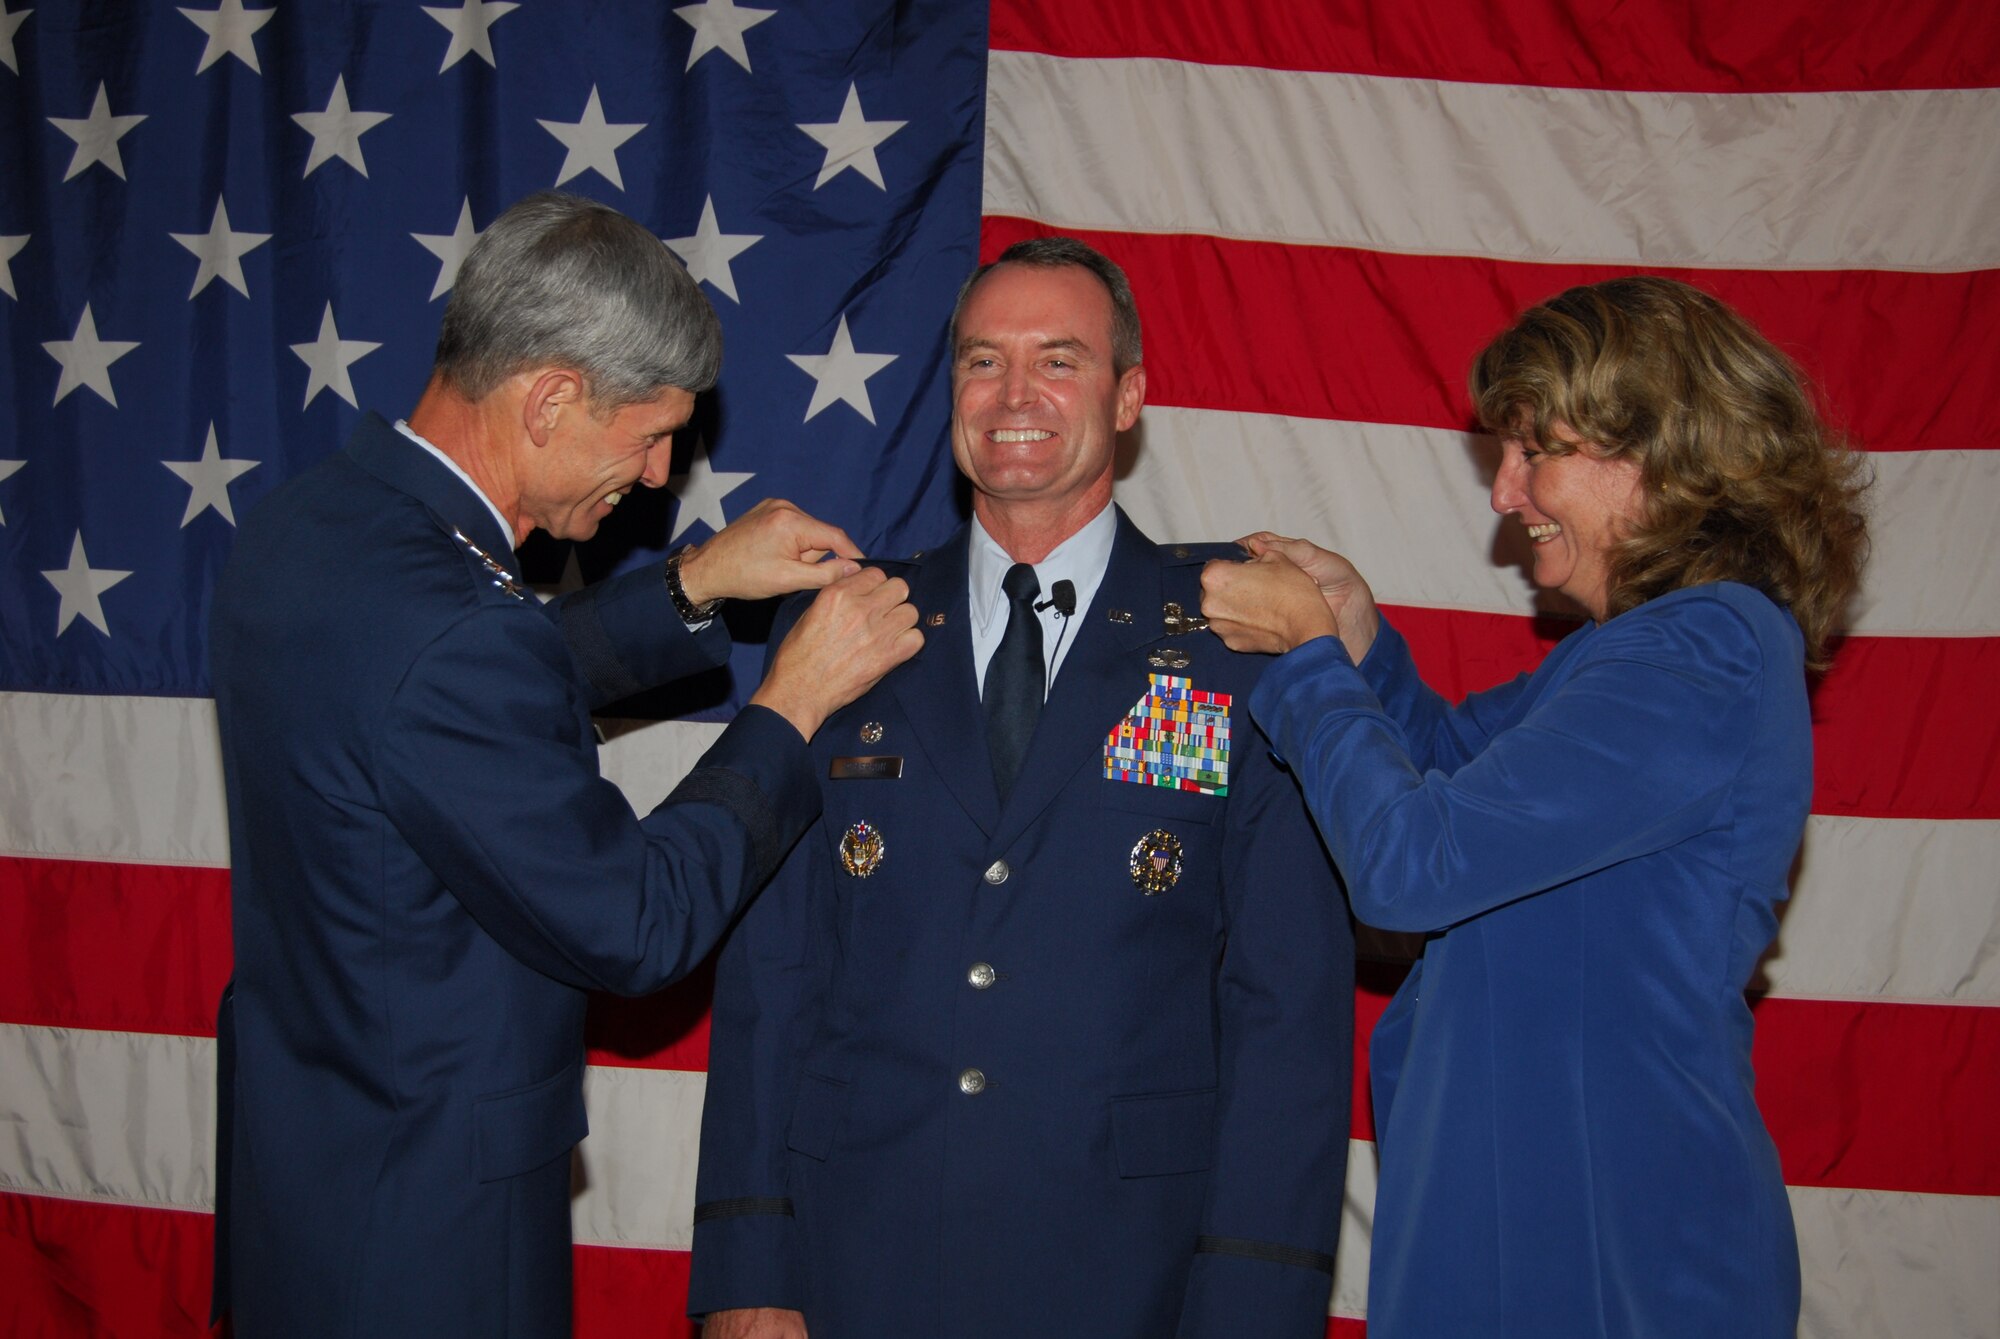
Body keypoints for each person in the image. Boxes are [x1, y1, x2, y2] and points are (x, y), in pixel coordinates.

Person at [207, 191, 921, 1339]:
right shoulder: (452, 629)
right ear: (547, 398)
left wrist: (689, 585)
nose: (653, 479)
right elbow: (636, 922)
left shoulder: (309, 527)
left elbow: (438, 705)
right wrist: (790, 707)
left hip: (314, 1187)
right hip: (428, 1242)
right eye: (647, 436)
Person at [689, 238, 1353, 1339]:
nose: (1013, 396)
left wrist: (1254, 1299)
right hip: (860, 1257)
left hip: (1128, 1272)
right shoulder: (850, 629)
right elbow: (774, 975)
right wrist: (747, 1267)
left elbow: (1284, 1005)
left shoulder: (1239, 637)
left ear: (1128, 393)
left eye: (1058, 359)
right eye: (981, 360)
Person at [1198, 275, 1869, 1337]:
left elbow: (1411, 864)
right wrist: (1355, 634)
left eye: (1532, 449)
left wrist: (1307, 659)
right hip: (1527, 1231)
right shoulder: (1626, 658)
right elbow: (1445, 767)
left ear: (1656, 453)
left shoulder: (1702, 649)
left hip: (1609, 1254)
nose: (1505, 492)